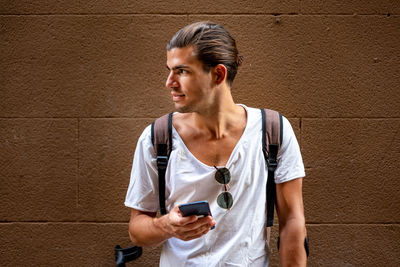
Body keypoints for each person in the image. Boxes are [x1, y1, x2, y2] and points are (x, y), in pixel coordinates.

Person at [125, 21, 307, 266]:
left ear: (218, 74)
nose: (169, 82)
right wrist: (166, 225)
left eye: (182, 71)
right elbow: (137, 231)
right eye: (170, 70)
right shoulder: (157, 138)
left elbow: (293, 223)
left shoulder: (273, 131)